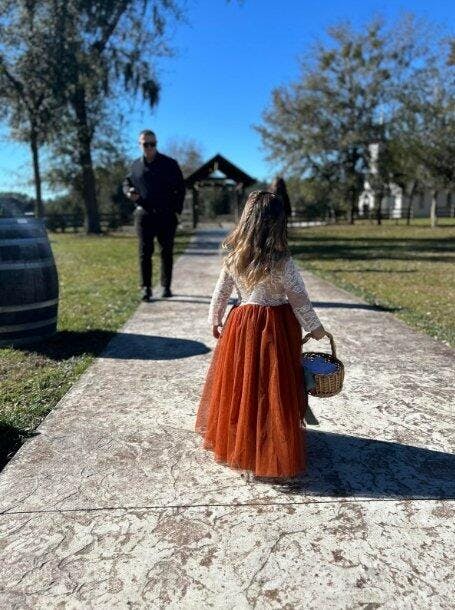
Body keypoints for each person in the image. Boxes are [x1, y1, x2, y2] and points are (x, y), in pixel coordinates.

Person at [195, 190, 326, 480]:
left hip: (242, 324)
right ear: (278, 223)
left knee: (243, 381)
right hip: (276, 326)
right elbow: (299, 298)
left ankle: (242, 435)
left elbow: (221, 292)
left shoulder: (235, 257)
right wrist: (315, 328)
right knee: (272, 382)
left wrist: (215, 319)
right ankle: (270, 438)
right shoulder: (283, 261)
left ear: (247, 220)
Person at [123, 129, 185, 300]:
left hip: (166, 215)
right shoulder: (135, 166)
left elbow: (181, 187)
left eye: (153, 144)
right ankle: (146, 288)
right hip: (144, 215)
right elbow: (126, 182)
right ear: (140, 145)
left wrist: (175, 209)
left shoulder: (170, 164)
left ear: (156, 144)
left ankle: (166, 286)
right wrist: (129, 192)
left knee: (166, 252)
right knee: (145, 252)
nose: (150, 147)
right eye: (146, 144)